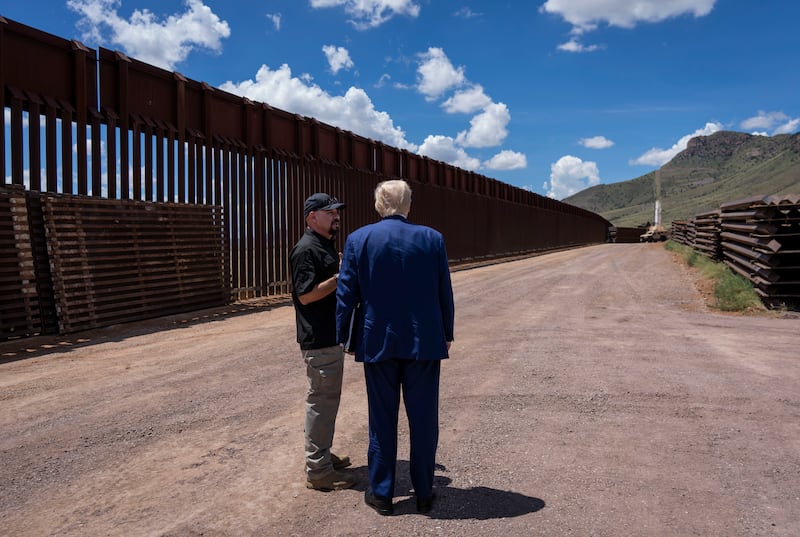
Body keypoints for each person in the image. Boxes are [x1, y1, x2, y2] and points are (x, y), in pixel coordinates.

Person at [335, 180, 455, 515]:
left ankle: (383, 494)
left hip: (378, 341)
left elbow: (347, 293)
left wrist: (344, 335)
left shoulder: (359, 240)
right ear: (407, 205)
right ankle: (424, 493)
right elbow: (443, 289)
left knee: (382, 420)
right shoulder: (432, 239)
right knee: (424, 420)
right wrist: (447, 331)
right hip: (424, 341)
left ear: (378, 204)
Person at [289, 192, 356, 491]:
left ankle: (323, 455)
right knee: (321, 401)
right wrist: (339, 278)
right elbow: (305, 294)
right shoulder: (305, 249)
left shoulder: (322, 246)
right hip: (318, 339)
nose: (336, 216)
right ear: (312, 217)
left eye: (337, 211)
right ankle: (318, 470)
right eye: (330, 212)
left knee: (327, 401)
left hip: (329, 336)